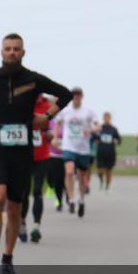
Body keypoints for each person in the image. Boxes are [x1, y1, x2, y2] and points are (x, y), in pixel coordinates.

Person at [0, 34, 72, 274]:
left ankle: (8, 257)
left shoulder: (33, 79)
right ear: (1, 52)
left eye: (16, 49)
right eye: (7, 49)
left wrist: (46, 117)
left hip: (22, 146)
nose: (12, 53)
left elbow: (65, 94)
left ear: (23, 52)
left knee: (15, 206)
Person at [53, 87, 100, 218]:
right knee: (69, 171)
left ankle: (81, 200)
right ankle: (72, 199)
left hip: (83, 149)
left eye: (78, 95)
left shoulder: (88, 112)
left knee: (81, 177)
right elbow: (57, 124)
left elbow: (98, 126)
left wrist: (90, 131)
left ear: (82, 96)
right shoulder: (66, 111)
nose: (76, 97)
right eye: (74, 95)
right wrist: (55, 137)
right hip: (69, 147)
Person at [19, 95, 53, 244]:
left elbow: (52, 125)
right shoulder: (21, 102)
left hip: (42, 156)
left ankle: (37, 227)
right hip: (25, 155)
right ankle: (22, 223)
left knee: (37, 191)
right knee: (24, 192)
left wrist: (50, 133)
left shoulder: (47, 105)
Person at [95, 112, 122, 191]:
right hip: (101, 152)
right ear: (103, 118)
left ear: (110, 118)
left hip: (110, 152)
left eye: (108, 117)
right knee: (100, 170)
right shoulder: (100, 128)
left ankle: (107, 186)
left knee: (109, 170)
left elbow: (119, 140)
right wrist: (96, 140)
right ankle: (101, 180)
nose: (106, 119)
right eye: (105, 117)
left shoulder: (113, 129)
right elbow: (94, 137)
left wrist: (116, 141)